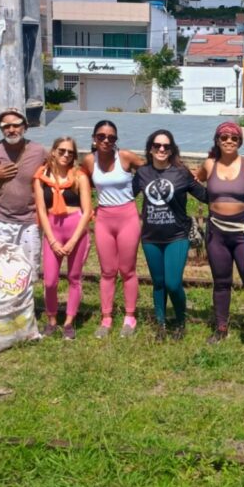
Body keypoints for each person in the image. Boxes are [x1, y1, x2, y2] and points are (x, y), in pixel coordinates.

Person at [195, 121, 244, 344]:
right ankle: (221, 327)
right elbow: (193, 179)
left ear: (240, 141)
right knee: (221, 281)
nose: (229, 141)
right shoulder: (209, 165)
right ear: (217, 140)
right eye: (224, 137)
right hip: (216, 233)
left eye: (234, 138)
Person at [132, 129, 208, 341]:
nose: (162, 149)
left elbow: (204, 196)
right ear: (150, 149)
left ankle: (180, 322)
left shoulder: (181, 173)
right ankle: (161, 324)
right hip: (151, 237)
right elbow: (124, 196)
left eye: (166, 146)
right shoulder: (142, 173)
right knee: (158, 282)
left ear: (172, 149)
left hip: (177, 235)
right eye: (157, 146)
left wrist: (228, 188)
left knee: (173, 283)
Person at [82, 120, 144, 338]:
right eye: (101, 136)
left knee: (127, 270)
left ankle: (130, 317)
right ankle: (106, 318)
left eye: (111, 137)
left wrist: (135, 192)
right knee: (107, 271)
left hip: (127, 216)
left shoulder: (125, 157)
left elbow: (148, 172)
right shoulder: (90, 161)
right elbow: (80, 184)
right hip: (104, 219)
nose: (106, 140)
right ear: (94, 138)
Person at [0, 108, 47, 283]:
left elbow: (55, 176)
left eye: (16, 125)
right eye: (6, 126)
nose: (11, 130)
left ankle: (24, 308)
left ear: (25, 127)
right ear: (1, 129)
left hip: (30, 222)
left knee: (27, 271)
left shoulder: (39, 151)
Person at [33, 137, 92, 340]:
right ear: (53, 151)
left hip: (75, 228)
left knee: (74, 278)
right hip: (53, 230)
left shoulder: (79, 177)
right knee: (50, 281)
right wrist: (52, 240)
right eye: (62, 151)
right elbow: (41, 210)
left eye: (70, 152)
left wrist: (74, 240)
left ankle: (68, 321)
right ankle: (51, 319)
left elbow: (87, 211)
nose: (66, 155)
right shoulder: (41, 177)